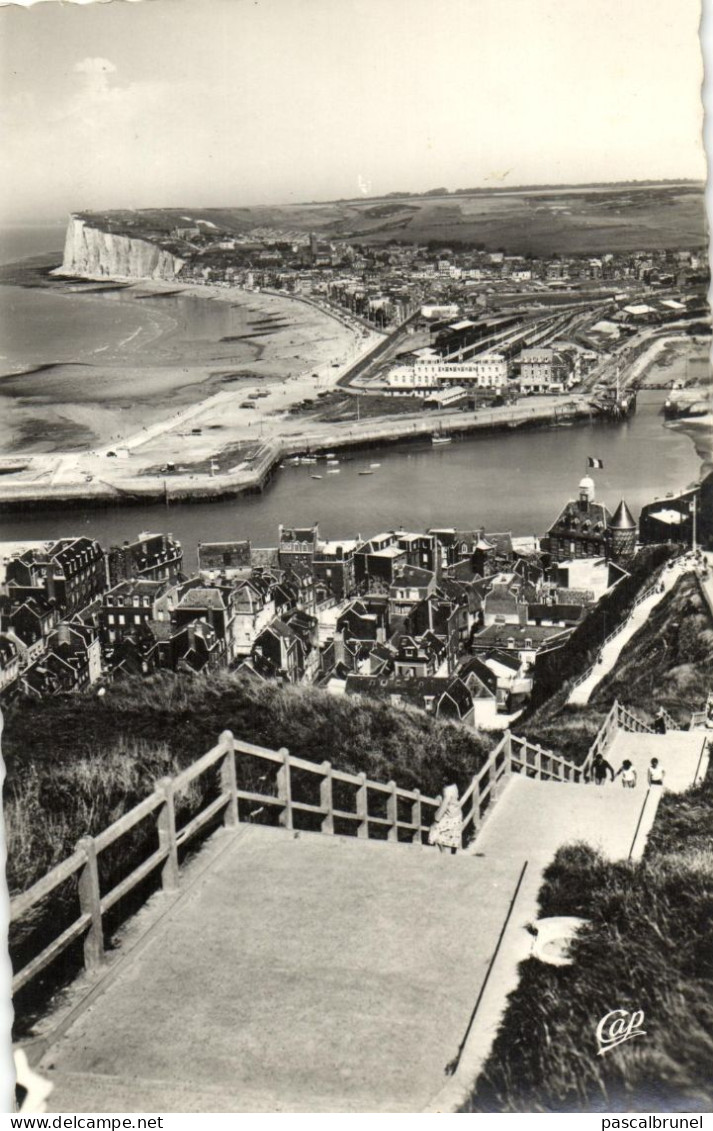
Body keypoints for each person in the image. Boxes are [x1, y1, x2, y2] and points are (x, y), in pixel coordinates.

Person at [428, 783, 462, 855]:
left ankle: (443, 852)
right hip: (457, 814)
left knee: (435, 828)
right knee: (454, 834)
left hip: (450, 815)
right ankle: (453, 853)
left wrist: (436, 819)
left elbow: (445, 804)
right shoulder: (455, 786)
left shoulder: (447, 790)